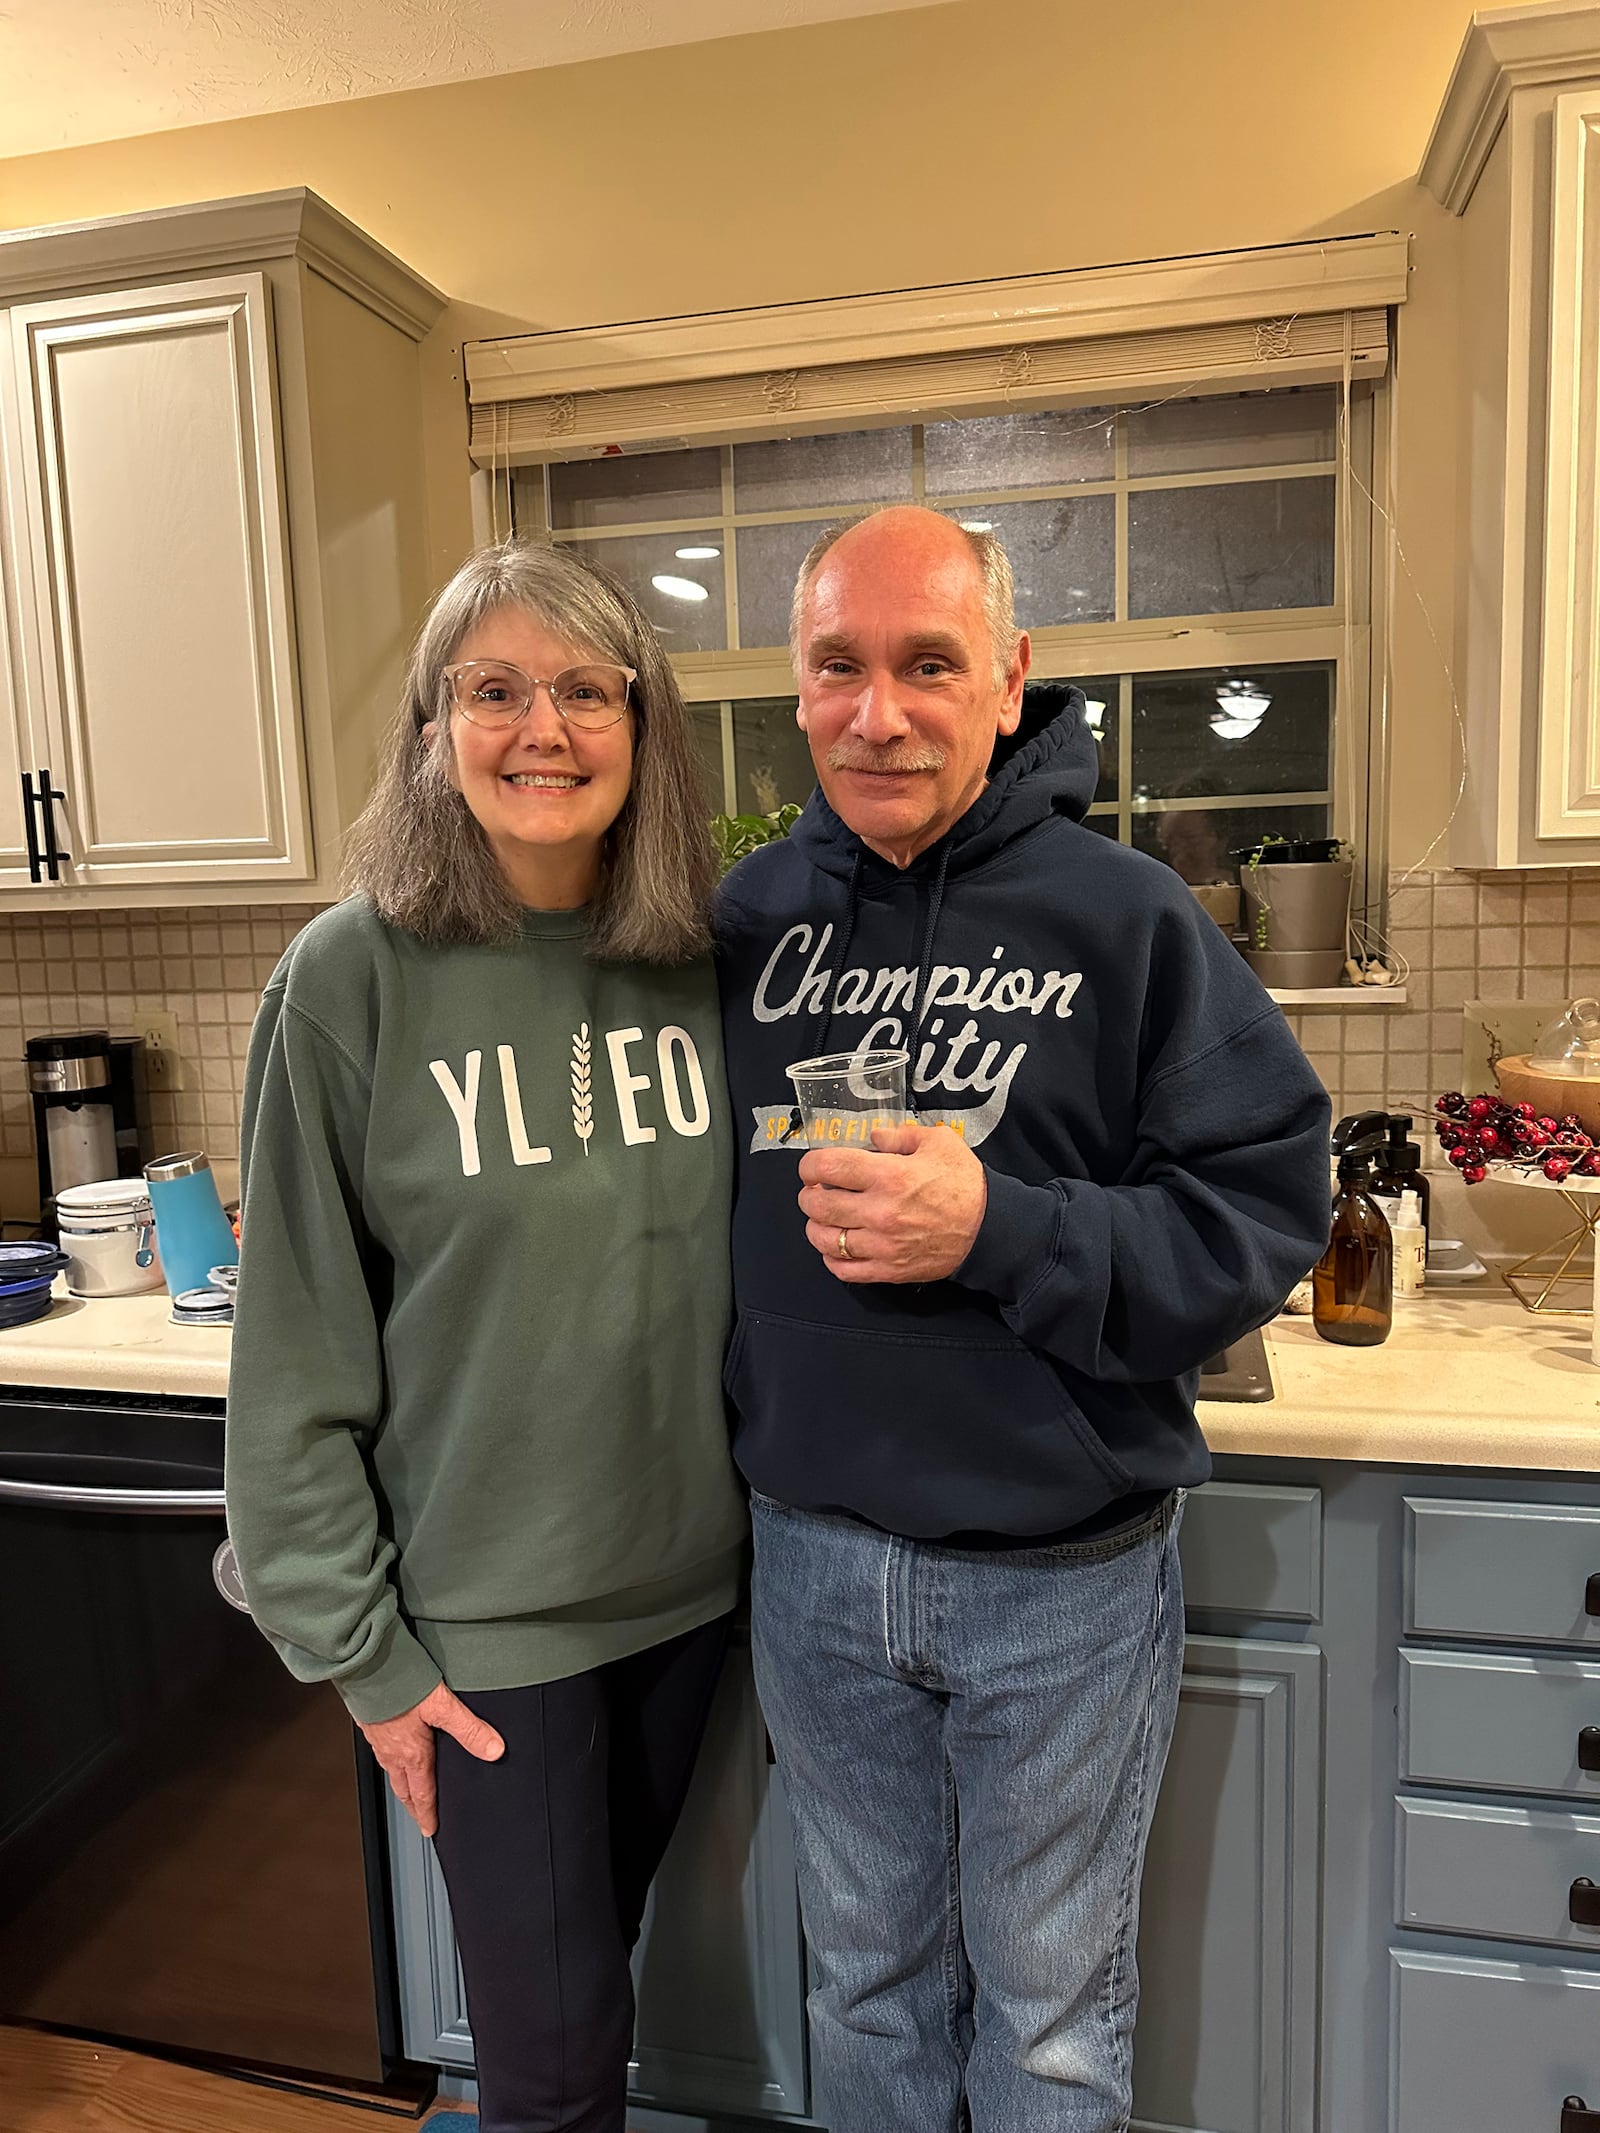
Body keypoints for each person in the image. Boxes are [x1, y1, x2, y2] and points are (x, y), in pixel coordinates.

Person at [715, 505, 1331, 2133]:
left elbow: (1259, 1219)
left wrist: (1000, 1226)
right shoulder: (739, 923)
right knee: (860, 1982)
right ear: (798, 687)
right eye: (839, 667)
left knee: (1052, 2019)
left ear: (1010, 678)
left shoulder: (1132, 922)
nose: (880, 711)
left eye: (929, 664)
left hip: (1062, 1575)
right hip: (813, 1560)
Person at [226, 540, 747, 2133]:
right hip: (486, 1632)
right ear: (435, 728)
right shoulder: (349, 981)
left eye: (588, 689)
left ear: (643, 730)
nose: (545, 727)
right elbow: (293, 1358)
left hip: (690, 1602)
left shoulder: (697, 965)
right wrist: (368, 1662)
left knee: (607, 1978)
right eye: (496, 689)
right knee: (553, 2063)